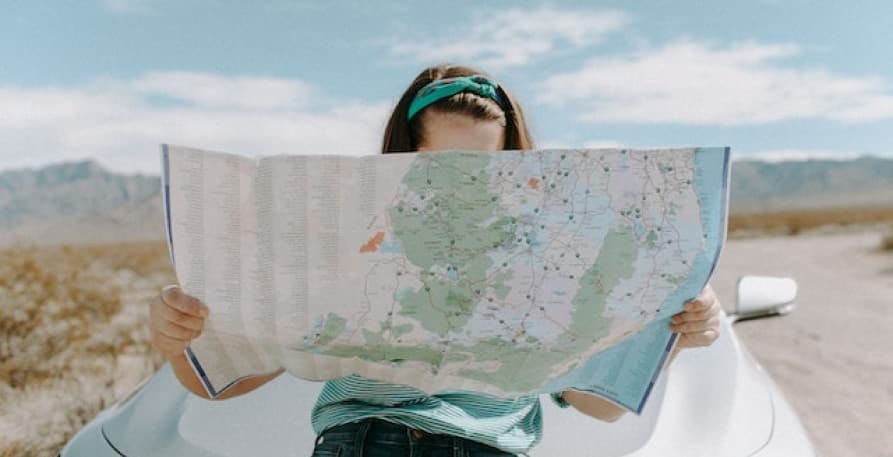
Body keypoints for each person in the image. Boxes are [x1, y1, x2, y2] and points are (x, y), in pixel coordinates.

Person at [149, 64, 723, 456]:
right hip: (365, 441)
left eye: (480, 168)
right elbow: (222, 384)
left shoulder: (550, 253)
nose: (456, 186)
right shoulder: (346, 238)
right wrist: (181, 341)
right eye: (436, 165)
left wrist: (671, 337)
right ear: (400, 158)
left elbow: (596, 407)